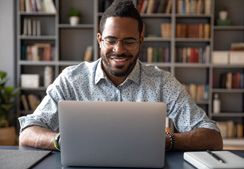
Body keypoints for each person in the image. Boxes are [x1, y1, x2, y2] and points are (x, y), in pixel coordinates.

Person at [19, 0, 223, 151]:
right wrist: (63, 141)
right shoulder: (72, 79)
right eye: (111, 40)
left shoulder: (162, 82)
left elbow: (213, 137)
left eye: (129, 41)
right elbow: (28, 132)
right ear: (100, 40)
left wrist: (168, 141)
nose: (119, 49)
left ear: (141, 41)